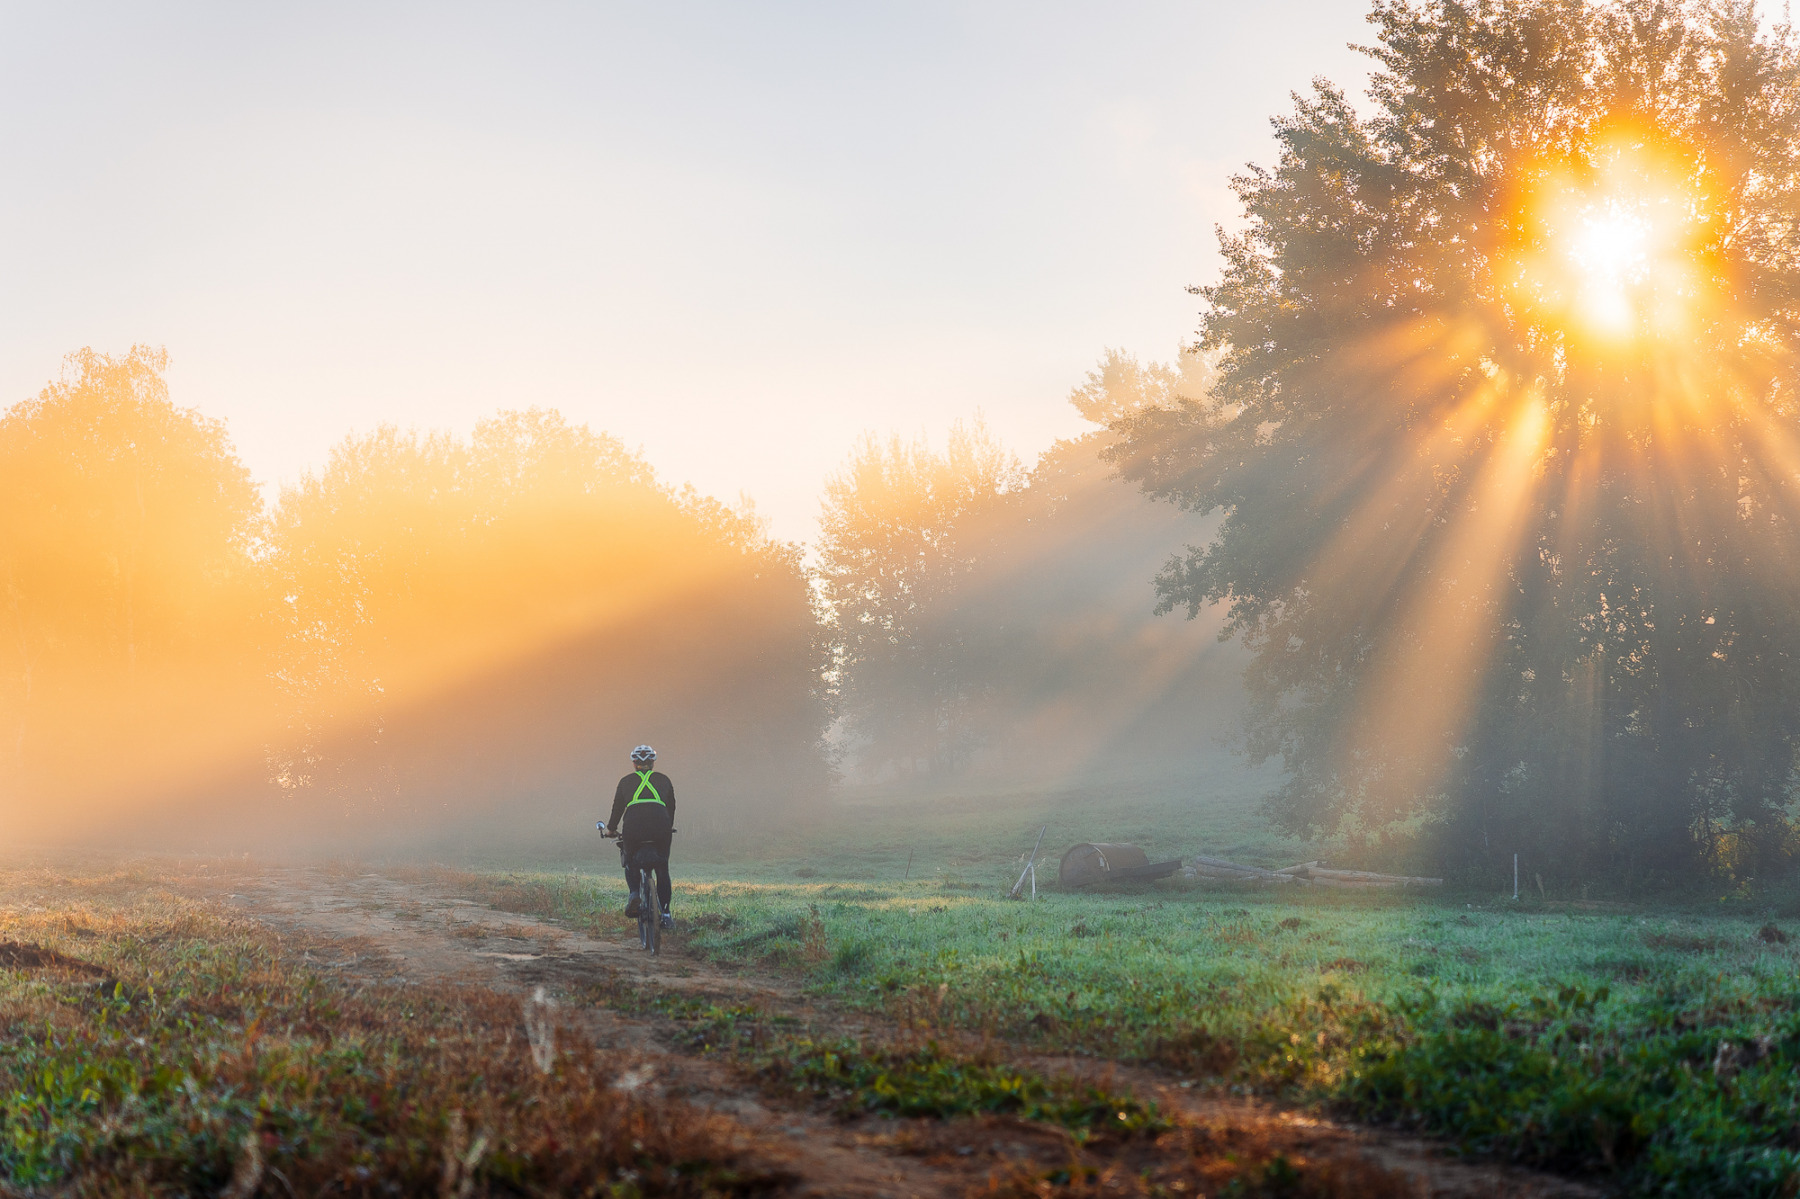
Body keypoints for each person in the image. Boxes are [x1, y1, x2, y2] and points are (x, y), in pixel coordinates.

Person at [602, 744, 675, 926]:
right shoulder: (664, 780)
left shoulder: (625, 781)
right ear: (653, 763)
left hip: (633, 827)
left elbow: (617, 808)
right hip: (661, 826)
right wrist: (668, 826)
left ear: (634, 763)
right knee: (662, 868)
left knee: (630, 861)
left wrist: (610, 829)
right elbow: (671, 807)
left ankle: (634, 893)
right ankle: (665, 914)